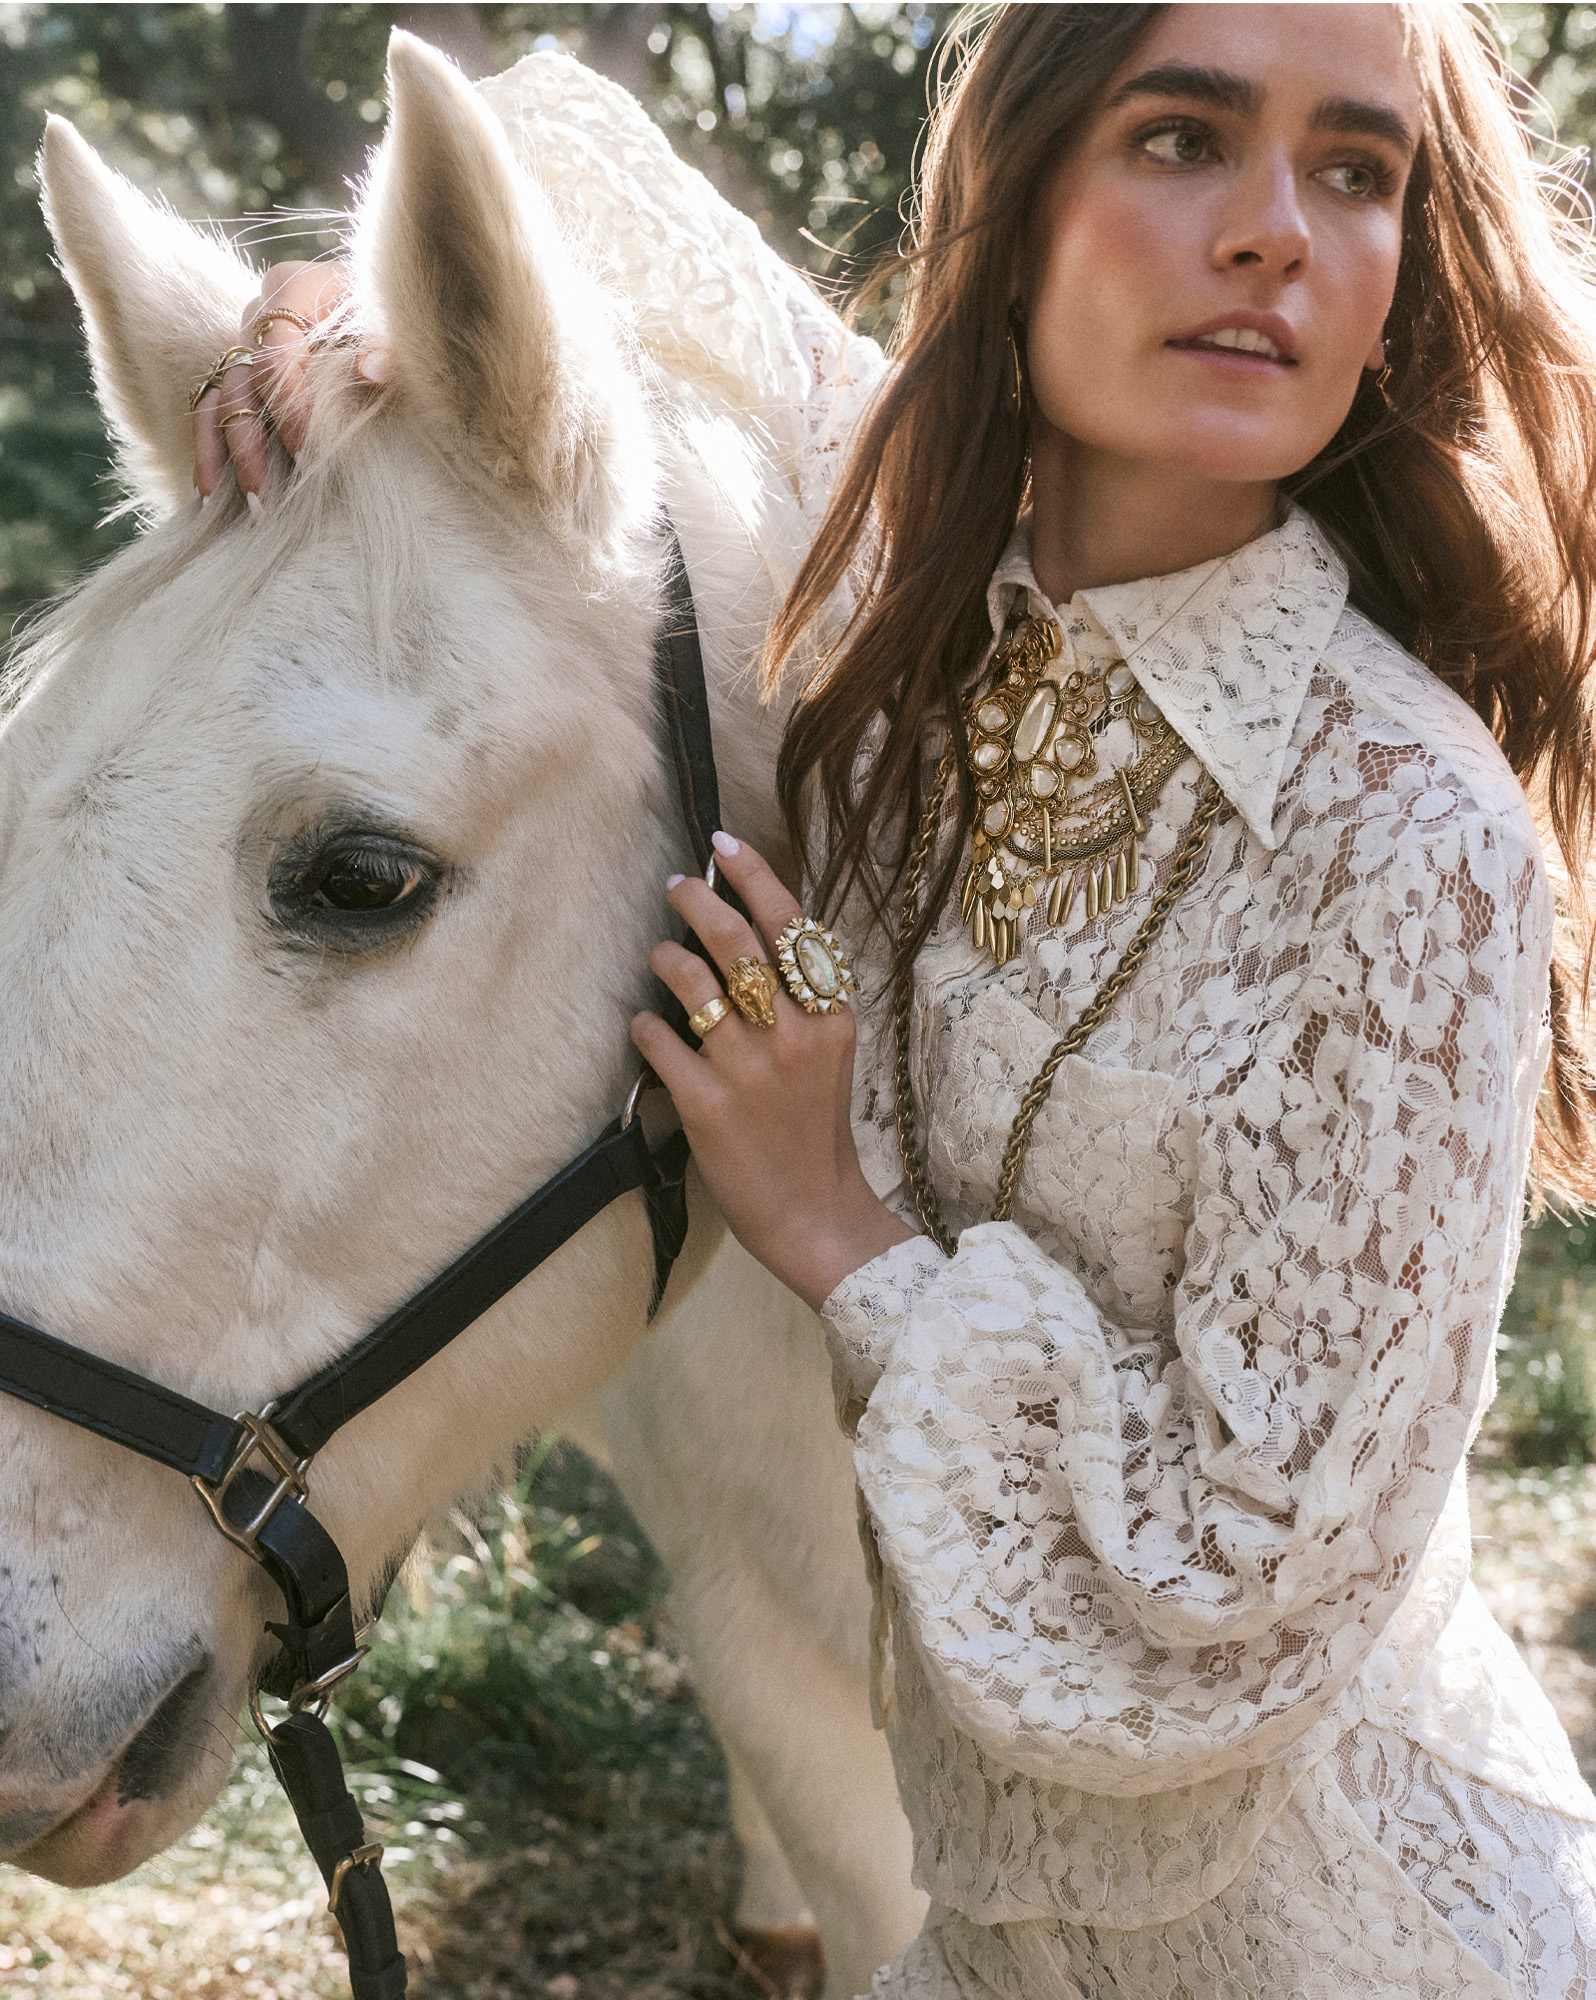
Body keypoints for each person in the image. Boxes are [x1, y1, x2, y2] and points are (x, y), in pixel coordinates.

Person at [192, 4, 1596, 1993]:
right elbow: (568, 153)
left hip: (1343, 1938)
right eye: (1184, 138)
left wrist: (836, 1233)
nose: (1279, 227)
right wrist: (352, 300)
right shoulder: (905, 588)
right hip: (975, 1928)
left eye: (1355, 171)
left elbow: (1229, 1614)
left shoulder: (1408, 834)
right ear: (1017, 208)